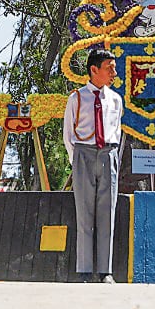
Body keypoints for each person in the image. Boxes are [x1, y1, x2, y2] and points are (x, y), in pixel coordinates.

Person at [64, 47, 123, 283]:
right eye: (109, 68)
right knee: (84, 214)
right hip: (84, 153)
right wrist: (77, 159)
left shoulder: (115, 99)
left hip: (108, 153)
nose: (114, 72)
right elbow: (68, 134)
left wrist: (111, 153)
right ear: (94, 69)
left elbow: (116, 128)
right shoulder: (77, 98)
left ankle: (105, 271)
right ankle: (85, 271)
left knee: (107, 212)